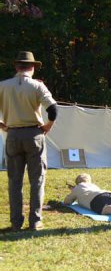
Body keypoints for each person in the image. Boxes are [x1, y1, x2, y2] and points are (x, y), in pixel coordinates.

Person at [0, 51, 57, 232]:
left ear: (17, 67)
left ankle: (16, 223)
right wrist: (48, 126)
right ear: (32, 68)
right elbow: (53, 109)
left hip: (13, 135)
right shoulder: (37, 86)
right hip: (34, 135)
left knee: (14, 181)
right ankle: (35, 221)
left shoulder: (3, 86)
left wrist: (2, 124)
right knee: (37, 180)